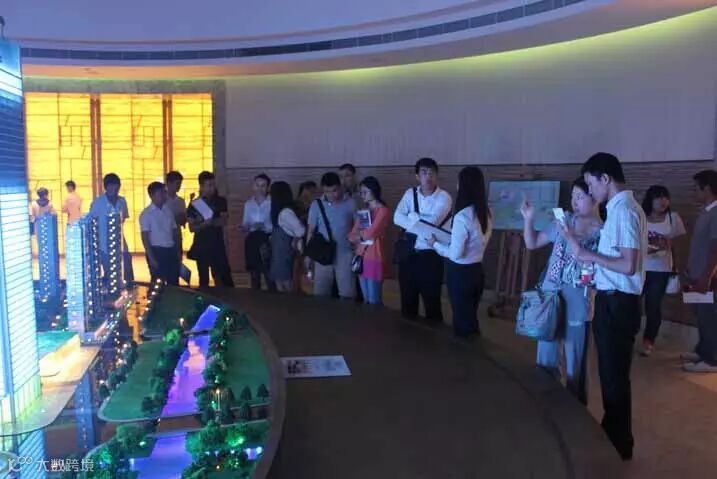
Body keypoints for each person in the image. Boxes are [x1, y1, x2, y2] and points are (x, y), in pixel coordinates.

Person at [563, 152, 647, 461]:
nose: (590, 191)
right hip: (614, 299)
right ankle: (613, 431)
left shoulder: (623, 211)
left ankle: (619, 442)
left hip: (618, 303)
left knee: (614, 376)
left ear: (605, 179)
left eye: (590, 184)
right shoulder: (621, 209)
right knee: (612, 374)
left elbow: (627, 264)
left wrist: (587, 256)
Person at [520, 178, 602, 404]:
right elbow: (532, 243)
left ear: (595, 198)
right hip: (551, 296)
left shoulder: (603, 231)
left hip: (578, 300)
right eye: (573, 196)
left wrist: (570, 236)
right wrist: (528, 219)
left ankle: (576, 409)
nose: (574, 202)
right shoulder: (564, 221)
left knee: (576, 360)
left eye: (580, 197)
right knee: (546, 355)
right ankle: (545, 404)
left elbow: (593, 268)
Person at [427, 166, 492, 338]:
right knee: (470, 317)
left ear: (463, 186)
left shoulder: (463, 216)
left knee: (462, 320)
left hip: (460, 274)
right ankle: (475, 349)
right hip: (477, 271)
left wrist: (435, 244)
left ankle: (466, 351)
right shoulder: (486, 212)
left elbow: (456, 254)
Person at [393, 157, 452, 322]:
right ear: (417, 176)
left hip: (431, 255)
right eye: (424, 172)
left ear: (437, 175)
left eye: (432, 173)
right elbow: (397, 217)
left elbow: (432, 224)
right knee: (407, 300)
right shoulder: (409, 193)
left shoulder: (444, 197)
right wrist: (418, 221)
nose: (428, 176)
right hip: (409, 253)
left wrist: (412, 217)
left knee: (432, 301)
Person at [640, 185, 687, 356]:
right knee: (632, 304)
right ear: (650, 200)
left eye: (665, 197)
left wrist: (667, 245)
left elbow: (680, 244)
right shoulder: (641, 218)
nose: (662, 201)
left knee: (653, 306)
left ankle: (649, 341)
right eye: (658, 197)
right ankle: (629, 334)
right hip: (639, 268)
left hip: (661, 270)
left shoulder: (673, 218)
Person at [681, 170, 717, 373]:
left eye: (696, 188)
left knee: (709, 317)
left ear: (707, 189)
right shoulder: (706, 211)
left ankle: (711, 360)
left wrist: (706, 276)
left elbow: (715, 247)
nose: (693, 192)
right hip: (697, 274)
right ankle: (702, 351)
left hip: (708, 277)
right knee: (701, 316)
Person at [307, 172, 357, 298]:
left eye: (334, 191)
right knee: (320, 293)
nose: (331, 195)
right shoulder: (316, 205)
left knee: (347, 293)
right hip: (322, 254)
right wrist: (308, 255)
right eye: (327, 192)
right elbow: (311, 231)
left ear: (340, 187)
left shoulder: (351, 203)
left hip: (345, 254)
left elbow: (358, 227)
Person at [187, 171, 234, 288]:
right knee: (203, 278)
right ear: (201, 186)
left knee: (223, 276)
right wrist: (204, 224)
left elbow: (224, 221)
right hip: (201, 244)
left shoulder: (220, 201)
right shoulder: (194, 204)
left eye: (213, 184)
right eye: (209, 185)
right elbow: (192, 228)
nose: (212, 188)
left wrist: (209, 221)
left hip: (217, 244)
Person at [348, 176, 390, 305]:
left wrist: (360, 236)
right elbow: (351, 235)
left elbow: (370, 233)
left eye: (365, 192)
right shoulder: (364, 211)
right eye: (361, 192)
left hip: (375, 257)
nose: (362, 195)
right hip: (361, 257)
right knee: (366, 299)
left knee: (374, 300)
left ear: (374, 190)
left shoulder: (383, 210)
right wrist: (360, 236)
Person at [89, 173, 135, 285]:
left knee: (126, 264)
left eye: (117, 185)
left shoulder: (122, 201)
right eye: (112, 185)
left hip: (119, 239)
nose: (115, 188)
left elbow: (123, 218)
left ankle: (128, 287)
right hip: (103, 242)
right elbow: (92, 221)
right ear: (106, 186)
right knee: (110, 271)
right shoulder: (97, 203)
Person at [139, 182, 181, 285]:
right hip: (157, 251)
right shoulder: (146, 214)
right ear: (152, 195)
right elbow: (145, 237)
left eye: (164, 192)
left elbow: (175, 232)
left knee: (174, 282)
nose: (164, 195)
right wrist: (151, 258)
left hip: (171, 250)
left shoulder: (168, 211)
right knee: (158, 284)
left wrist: (178, 251)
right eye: (161, 193)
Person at [269, 181, 306, 292]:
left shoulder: (285, 212)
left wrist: (295, 240)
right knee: (281, 283)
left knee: (286, 284)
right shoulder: (282, 211)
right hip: (280, 252)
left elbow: (301, 230)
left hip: (284, 252)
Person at [242, 174, 274, 291]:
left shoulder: (272, 203)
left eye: (263, 186)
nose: (259, 189)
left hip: (267, 240)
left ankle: (273, 297)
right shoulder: (248, 204)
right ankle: (255, 298)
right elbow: (245, 222)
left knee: (269, 273)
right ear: (253, 186)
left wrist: (264, 226)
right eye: (257, 185)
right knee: (254, 275)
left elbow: (277, 224)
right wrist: (245, 227)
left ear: (268, 188)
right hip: (252, 240)